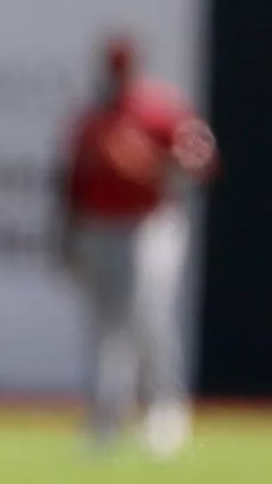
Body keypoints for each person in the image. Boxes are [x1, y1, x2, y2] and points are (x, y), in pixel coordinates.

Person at [56, 35, 219, 456]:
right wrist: (66, 239)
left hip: (149, 224)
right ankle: (106, 415)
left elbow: (202, 162)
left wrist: (154, 163)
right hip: (98, 228)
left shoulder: (160, 110)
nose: (118, 75)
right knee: (104, 326)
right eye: (113, 67)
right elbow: (69, 184)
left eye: (123, 67)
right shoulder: (91, 119)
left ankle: (165, 409)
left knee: (149, 316)